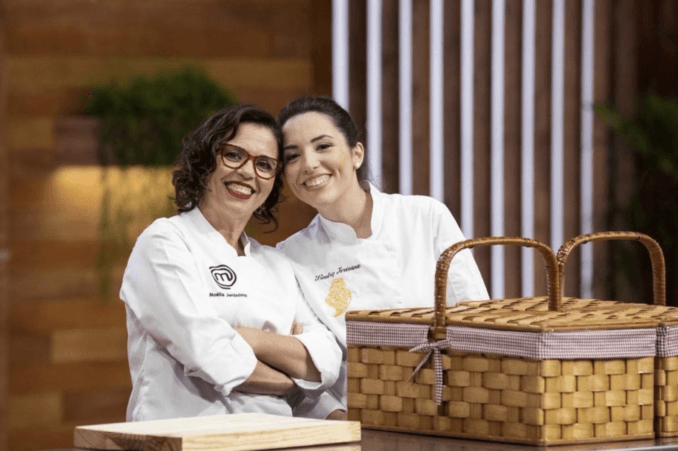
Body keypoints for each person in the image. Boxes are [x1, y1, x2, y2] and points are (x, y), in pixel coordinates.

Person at [120, 104, 341, 421]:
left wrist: (248, 338)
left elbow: (328, 359)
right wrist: (293, 379)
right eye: (234, 155)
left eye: (264, 164)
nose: (249, 172)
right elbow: (209, 354)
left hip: (277, 439)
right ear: (206, 159)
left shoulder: (277, 264)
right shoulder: (165, 242)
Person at [276, 96, 489, 420]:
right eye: (293, 156)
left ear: (356, 153)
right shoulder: (290, 255)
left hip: (451, 410)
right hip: (355, 423)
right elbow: (307, 375)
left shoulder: (424, 216)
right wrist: (347, 427)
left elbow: (478, 320)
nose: (308, 164)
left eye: (322, 147)